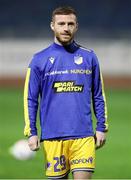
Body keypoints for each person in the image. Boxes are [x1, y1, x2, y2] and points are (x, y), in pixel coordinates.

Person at [24, 6, 108, 179]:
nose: (66, 28)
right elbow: (30, 99)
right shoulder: (39, 59)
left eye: (70, 24)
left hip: (83, 136)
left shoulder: (89, 57)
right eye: (61, 23)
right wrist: (31, 132)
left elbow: (99, 95)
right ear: (52, 26)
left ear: (76, 26)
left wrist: (101, 127)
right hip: (52, 137)